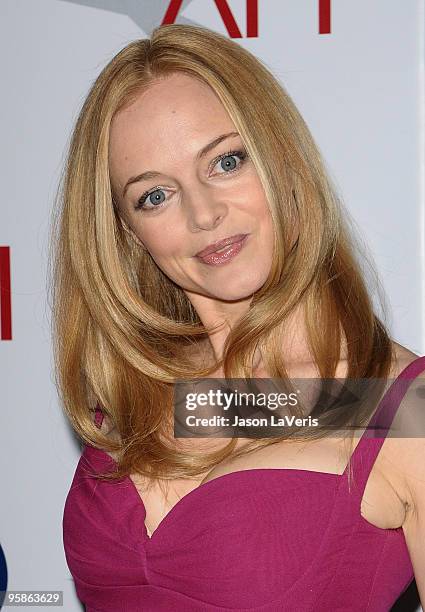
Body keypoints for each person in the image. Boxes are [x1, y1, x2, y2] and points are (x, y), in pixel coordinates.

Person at [51, 23, 425, 611]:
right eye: (155, 195)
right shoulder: (149, 396)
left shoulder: (401, 411)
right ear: (126, 230)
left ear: (281, 156)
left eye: (226, 161)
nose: (204, 213)